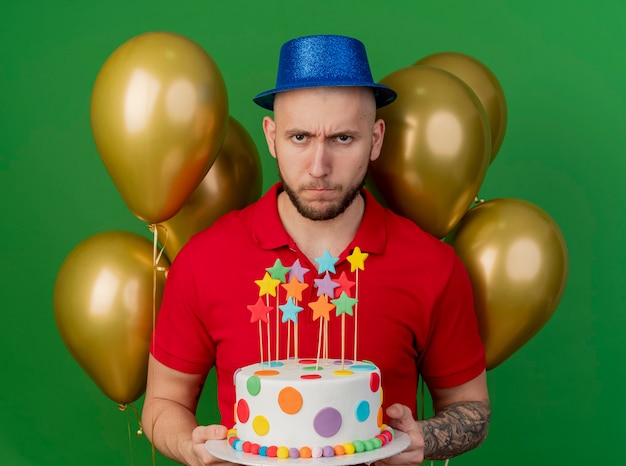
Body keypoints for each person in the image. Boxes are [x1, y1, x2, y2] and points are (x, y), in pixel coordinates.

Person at [142, 34, 490, 466]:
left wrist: (426, 438)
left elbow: (472, 408)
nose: (319, 166)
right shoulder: (204, 259)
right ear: (271, 136)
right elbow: (162, 402)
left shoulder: (432, 266)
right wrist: (189, 447)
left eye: (343, 139)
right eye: (300, 137)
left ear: (376, 139)